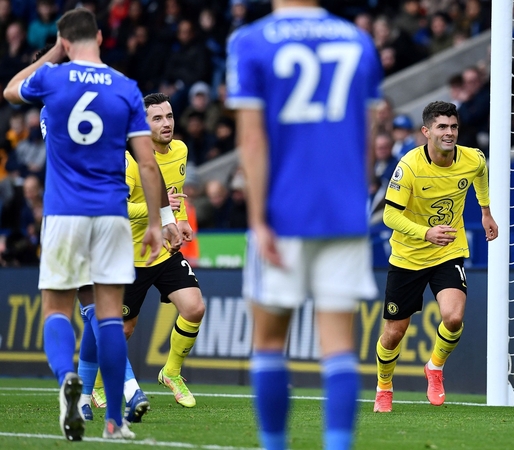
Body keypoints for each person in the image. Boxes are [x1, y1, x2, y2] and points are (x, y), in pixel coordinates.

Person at [2, 8, 179, 441]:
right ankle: (115, 421)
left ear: (63, 42)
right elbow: (149, 164)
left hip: (64, 214)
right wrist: (159, 221)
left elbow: (9, 91)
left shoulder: (52, 80)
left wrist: (50, 58)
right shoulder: (126, 88)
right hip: (112, 216)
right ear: (101, 37)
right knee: (109, 318)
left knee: (57, 309)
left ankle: (67, 378)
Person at [226, 1, 383, 449]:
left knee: (270, 340)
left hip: (284, 210)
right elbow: (367, 133)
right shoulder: (358, 41)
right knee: (337, 344)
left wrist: (256, 217)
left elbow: (252, 139)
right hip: (344, 211)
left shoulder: (251, 41)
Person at [79, 93, 206, 423]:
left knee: (194, 307)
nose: (167, 124)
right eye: (157, 118)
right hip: (128, 257)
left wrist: (181, 223)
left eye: (169, 116)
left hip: (162, 253)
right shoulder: (130, 161)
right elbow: (117, 207)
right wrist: (158, 214)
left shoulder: (180, 150)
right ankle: (97, 385)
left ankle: (172, 373)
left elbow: (174, 198)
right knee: (123, 330)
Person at [373, 100, 498, 413]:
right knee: (393, 334)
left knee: (454, 318)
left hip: (448, 251)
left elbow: (481, 173)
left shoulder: (472, 158)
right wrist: (425, 233)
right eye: (442, 127)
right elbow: (389, 216)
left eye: (454, 126)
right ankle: (384, 386)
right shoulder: (410, 166)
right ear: (426, 131)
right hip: (408, 257)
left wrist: (485, 211)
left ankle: (435, 368)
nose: (450, 132)